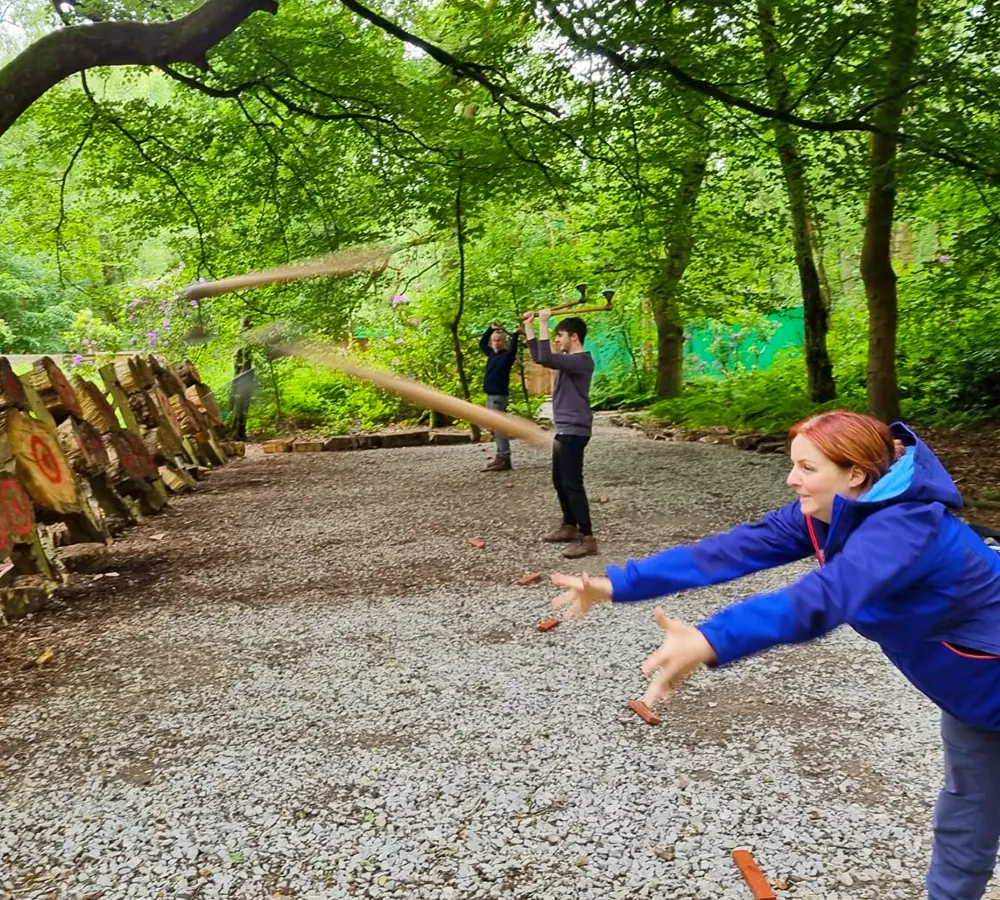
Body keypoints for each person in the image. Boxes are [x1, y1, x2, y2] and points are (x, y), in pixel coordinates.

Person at [550, 409, 1000, 900]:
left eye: (807, 469)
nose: (792, 480)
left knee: (969, 811)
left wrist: (711, 638)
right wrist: (615, 584)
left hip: (986, 679)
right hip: (969, 695)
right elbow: (728, 551)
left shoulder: (907, 526)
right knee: (966, 815)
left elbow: (824, 597)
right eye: (793, 465)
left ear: (855, 473)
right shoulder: (829, 514)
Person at [525, 309, 597, 559]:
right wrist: (530, 326)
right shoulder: (568, 360)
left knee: (572, 483)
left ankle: (587, 538)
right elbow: (539, 356)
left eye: (560, 335)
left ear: (574, 337)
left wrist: (544, 322)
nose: (557, 340)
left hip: (575, 430)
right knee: (559, 480)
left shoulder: (581, 360)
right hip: (565, 428)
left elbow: (545, 358)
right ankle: (569, 525)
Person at [479, 320, 520, 472]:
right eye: (494, 341)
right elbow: (482, 344)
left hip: (498, 397)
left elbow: (514, 349)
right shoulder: (491, 354)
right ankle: (501, 456)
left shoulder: (507, 356)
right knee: (494, 428)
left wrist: (515, 334)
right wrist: (490, 329)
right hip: (490, 396)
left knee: (499, 427)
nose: (496, 343)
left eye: (499, 340)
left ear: (504, 342)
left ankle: (504, 458)